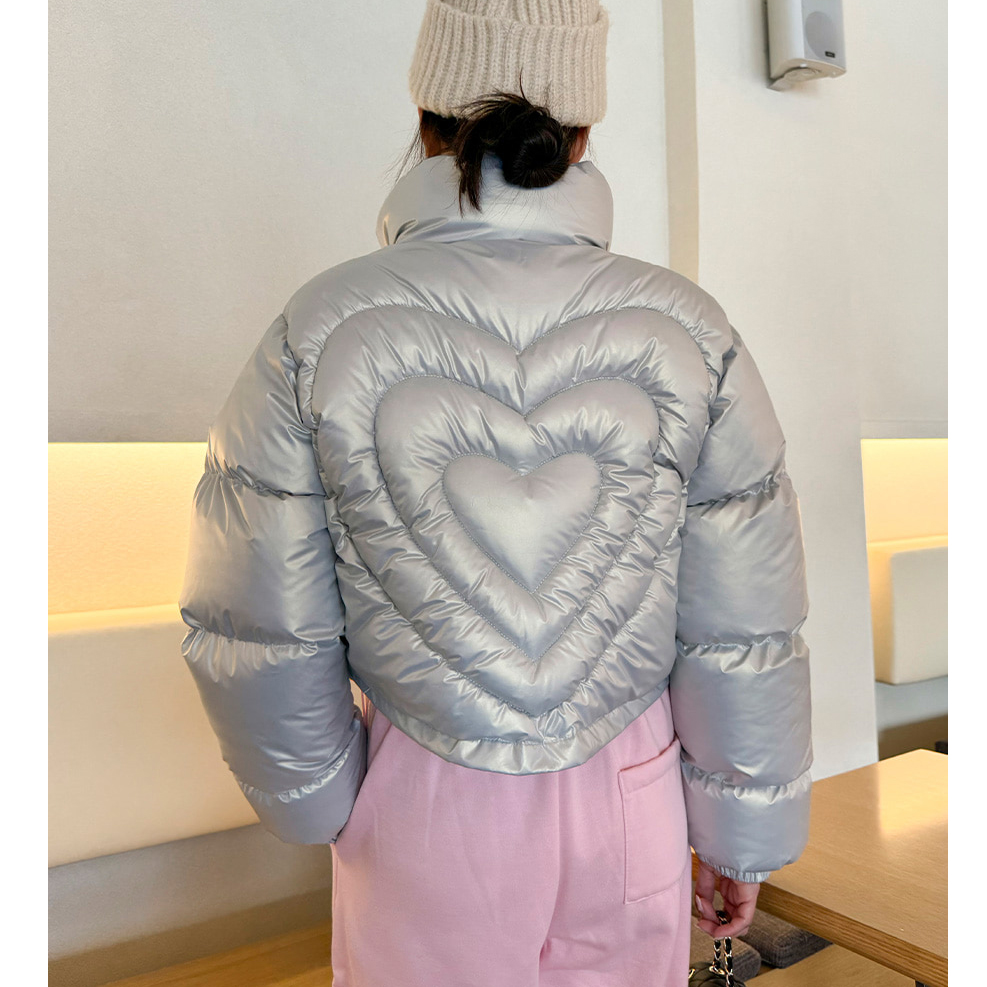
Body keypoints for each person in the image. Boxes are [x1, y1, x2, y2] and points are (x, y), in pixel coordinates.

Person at [179, 1, 813, 984]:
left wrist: (319, 797)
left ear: (425, 116)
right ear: (582, 132)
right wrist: (740, 836)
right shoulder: (689, 330)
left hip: (425, 794)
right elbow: (741, 623)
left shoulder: (323, 325)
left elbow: (257, 616)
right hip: (631, 787)